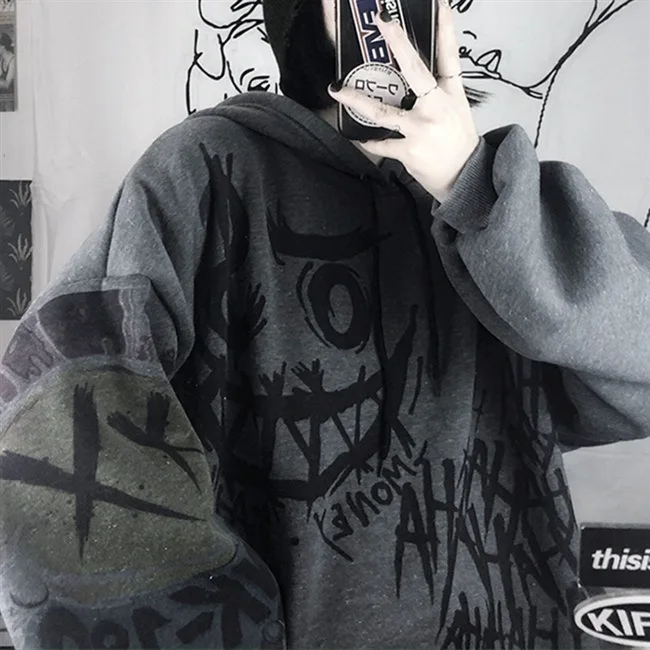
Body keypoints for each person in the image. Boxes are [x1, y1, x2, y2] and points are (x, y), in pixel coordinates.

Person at [0, 0, 649, 648]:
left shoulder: (497, 208)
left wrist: (474, 188)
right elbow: (53, 430)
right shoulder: (205, 170)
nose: (396, 15)